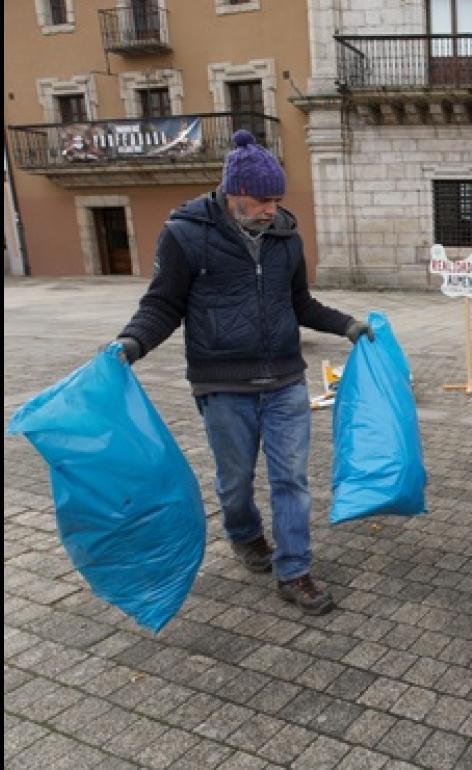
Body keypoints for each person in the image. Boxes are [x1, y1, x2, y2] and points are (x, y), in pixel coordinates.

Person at [112, 129, 374, 616]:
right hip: (222, 384)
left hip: (284, 381)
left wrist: (347, 326)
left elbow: (300, 304)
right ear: (234, 195)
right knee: (235, 481)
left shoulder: (286, 239)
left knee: (291, 480)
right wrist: (132, 343)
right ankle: (245, 533)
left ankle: (294, 569)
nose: (271, 208)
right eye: (262, 200)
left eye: (277, 198)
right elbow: (163, 305)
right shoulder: (184, 235)